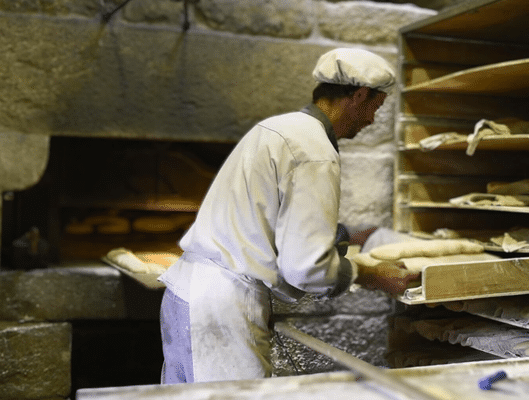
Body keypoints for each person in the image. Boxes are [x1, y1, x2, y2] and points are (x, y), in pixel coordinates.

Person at [158, 48, 420, 384]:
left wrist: (341, 236)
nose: (371, 121)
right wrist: (368, 274)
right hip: (223, 308)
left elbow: (269, 218)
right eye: (376, 108)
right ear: (359, 96)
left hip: (191, 294)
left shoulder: (278, 128)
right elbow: (306, 268)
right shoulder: (314, 151)